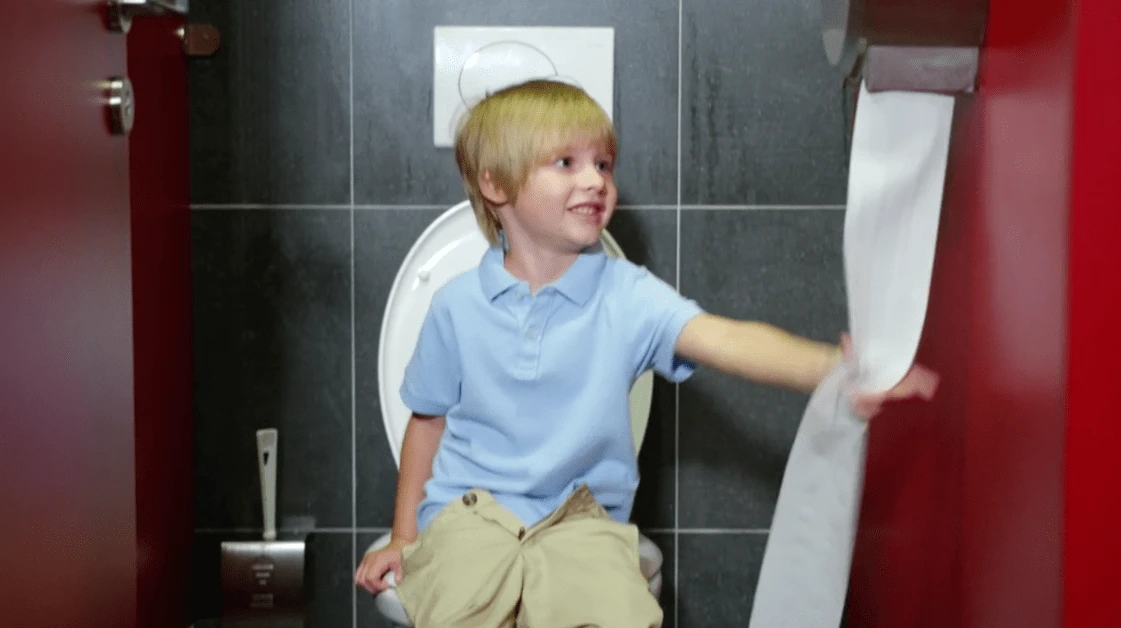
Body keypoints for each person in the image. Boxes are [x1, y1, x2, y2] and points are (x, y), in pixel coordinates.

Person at [355, 79, 937, 627]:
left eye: (603, 164)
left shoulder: (627, 295)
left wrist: (834, 368)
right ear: (496, 185)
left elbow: (726, 339)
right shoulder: (456, 306)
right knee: (457, 605)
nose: (595, 180)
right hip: (468, 515)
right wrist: (404, 537)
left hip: (582, 521)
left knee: (618, 612)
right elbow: (427, 423)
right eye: (566, 163)